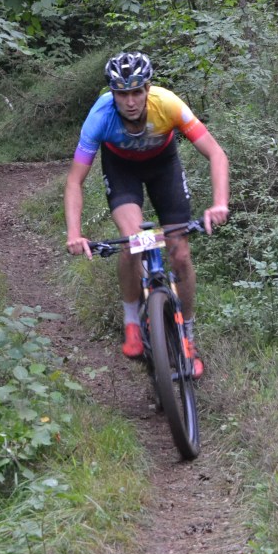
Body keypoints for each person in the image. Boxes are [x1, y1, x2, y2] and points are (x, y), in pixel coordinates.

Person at [64, 50, 229, 378]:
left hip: (163, 165)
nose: (130, 101)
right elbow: (74, 181)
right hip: (121, 169)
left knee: (180, 253)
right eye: (122, 93)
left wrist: (219, 202)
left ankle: (188, 338)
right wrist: (74, 233)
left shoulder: (167, 104)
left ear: (148, 89)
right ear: (113, 94)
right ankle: (132, 324)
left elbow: (216, 153)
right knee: (133, 241)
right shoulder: (100, 117)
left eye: (136, 92)